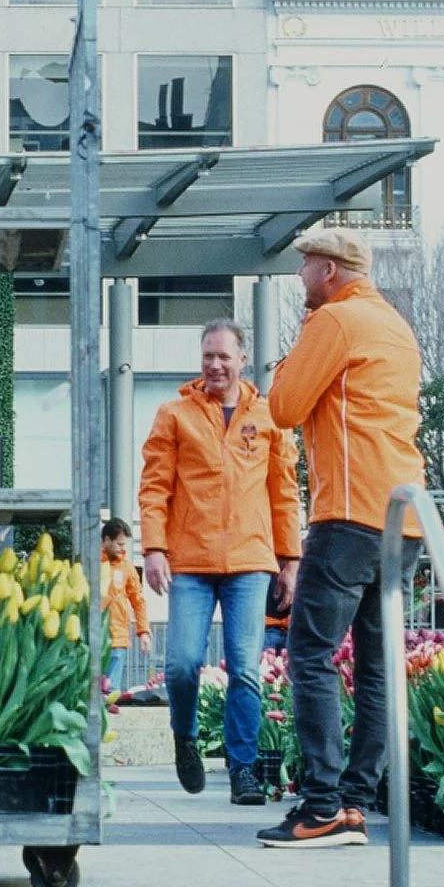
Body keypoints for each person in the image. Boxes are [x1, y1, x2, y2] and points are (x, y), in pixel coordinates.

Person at [260, 226, 424, 848]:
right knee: (378, 664)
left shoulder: (334, 321)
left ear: (328, 270)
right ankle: (356, 802)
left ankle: (322, 803)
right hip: (404, 518)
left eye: (304, 266)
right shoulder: (395, 326)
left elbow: (283, 406)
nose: (300, 277)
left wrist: (287, 362)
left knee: (309, 651)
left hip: (351, 513)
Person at [138, 317, 302, 807]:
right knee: (184, 664)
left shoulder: (269, 417)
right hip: (190, 559)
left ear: (242, 359)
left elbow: (285, 494)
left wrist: (290, 559)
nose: (214, 364)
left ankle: (243, 770)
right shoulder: (174, 415)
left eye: (223, 356)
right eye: (208, 355)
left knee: (246, 669)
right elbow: (154, 488)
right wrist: (153, 549)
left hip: (251, 561)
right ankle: (184, 735)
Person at [97, 517, 150, 693]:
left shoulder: (127, 568)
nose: (122, 549)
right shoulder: (91, 564)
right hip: (93, 637)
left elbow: (138, 601)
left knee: (111, 693)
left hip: (118, 637)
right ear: (106, 540)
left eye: (124, 545)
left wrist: (144, 632)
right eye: (119, 544)